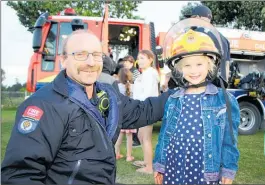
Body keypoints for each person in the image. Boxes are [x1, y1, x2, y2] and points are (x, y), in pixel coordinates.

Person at [1, 30, 174, 184]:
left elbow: (143, 111)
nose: (91, 62)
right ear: (64, 60)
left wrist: (182, 90)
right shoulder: (43, 105)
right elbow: (20, 174)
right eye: (81, 55)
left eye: (96, 55)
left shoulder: (107, 95)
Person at [153, 19, 240, 184]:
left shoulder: (224, 100)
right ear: (178, 69)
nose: (193, 71)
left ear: (210, 64)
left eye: (199, 64)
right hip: (174, 168)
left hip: (205, 172)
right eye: (187, 66)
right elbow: (164, 136)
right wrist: (160, 165)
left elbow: (230, 140)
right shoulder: (174, 99)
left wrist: (228, 170)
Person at [132, 50, 160, 174]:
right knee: (141, 136)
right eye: (139, 58)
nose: (140, 61)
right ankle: (146, 161)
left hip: (146, 107)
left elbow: (147, 93)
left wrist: (138, 106)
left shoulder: (149, 74)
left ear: (150, 60)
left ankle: (149, 167)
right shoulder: (145, 73)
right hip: (144, 107)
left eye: (143, 58)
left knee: (146, 137)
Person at [115, 67, 136, 162]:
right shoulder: (133, 86)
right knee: (129, 136)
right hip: (130, 114)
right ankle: (129, 156)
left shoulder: (117, 87)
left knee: (119, 135)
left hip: (120, 114)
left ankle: (116, 154)